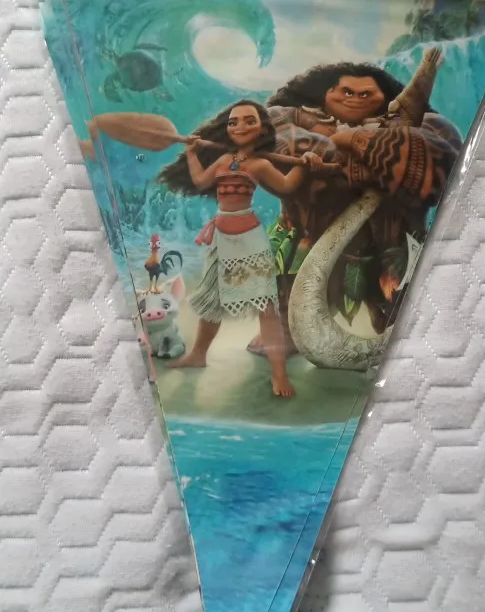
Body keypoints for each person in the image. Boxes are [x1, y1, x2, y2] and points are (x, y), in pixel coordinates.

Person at [250, 61, 462, 352]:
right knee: (290, 270)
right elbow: (271, 142)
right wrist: (347, 144)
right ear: (326, 94)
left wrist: (357, 140)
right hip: (310, 233)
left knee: (396, 291)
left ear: (384, 97)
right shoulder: (283, 121)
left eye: (366, 94)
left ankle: (396, 325)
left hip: (388, 240)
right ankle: (283, 333)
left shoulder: (430, 126)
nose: (355, 99)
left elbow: (439, 163)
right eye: (346, 92)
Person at [158, 100, 313, 398]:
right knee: (212, 300)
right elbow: (200, 181)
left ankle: (279, 373)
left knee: (265, 307)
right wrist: (191, 154)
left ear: (262, 129)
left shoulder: (260, 165)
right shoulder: (222, 160)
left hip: (248, 240)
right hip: (220, 239)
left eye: (249, 121)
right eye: (233, 122)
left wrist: (305, 164)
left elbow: (286, 186)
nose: (240, 126)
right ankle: (198, 355)